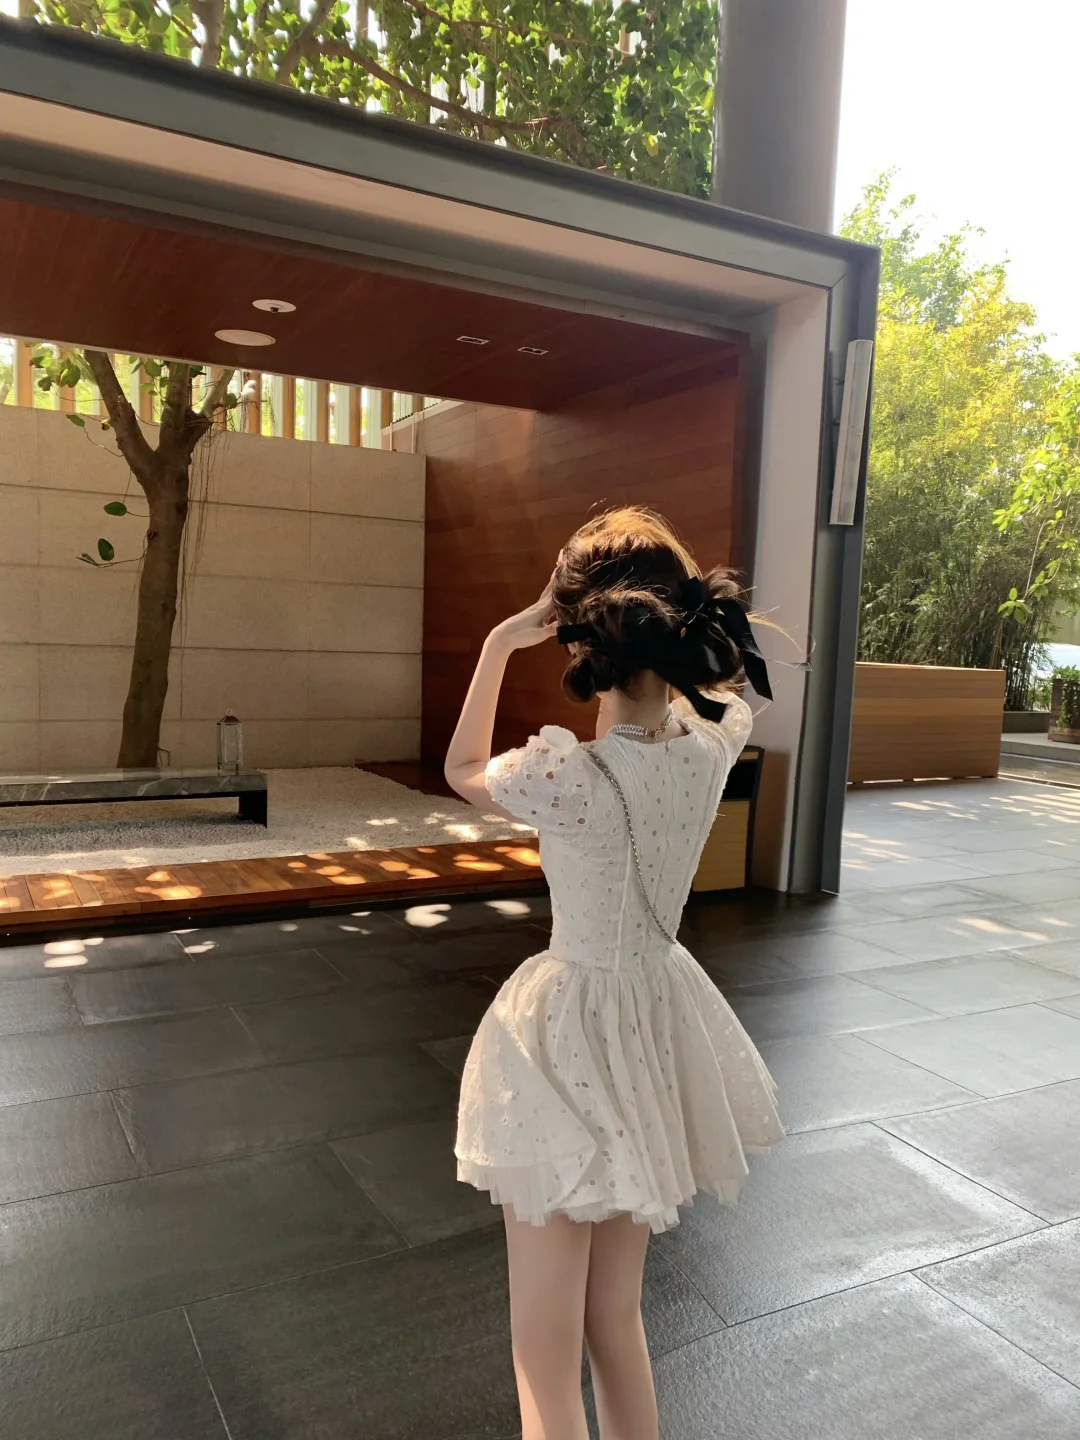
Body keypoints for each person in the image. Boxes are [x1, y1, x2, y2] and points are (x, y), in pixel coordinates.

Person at [444, 507, 785, 1440]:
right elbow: (731, 697)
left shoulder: (567, 776)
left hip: (561, 1043)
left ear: (576, 631)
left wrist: (502, 641)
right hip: (653, 1021)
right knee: (615, 1320)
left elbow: (462, 766)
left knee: (543, 1351)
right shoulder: (713, 747)